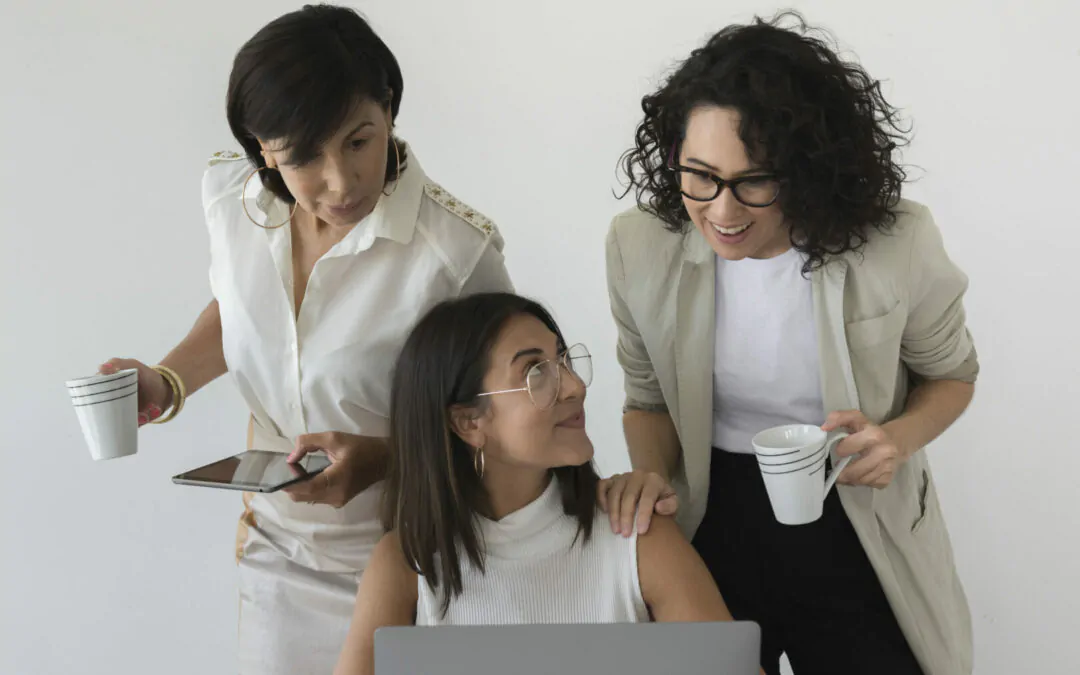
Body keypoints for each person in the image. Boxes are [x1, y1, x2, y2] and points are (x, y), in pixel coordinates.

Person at [96, 5, 513, 673]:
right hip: (279, 555)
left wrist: (380, 458)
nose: (341, 181)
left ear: (390, 112)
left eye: (359, 140)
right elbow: (241, 306)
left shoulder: (456, 252)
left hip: (417, 559)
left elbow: (509, 415)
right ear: (262, 149)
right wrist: (165, 379)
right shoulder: (230, 200)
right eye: (303, 156)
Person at [601, 12, 977, 675]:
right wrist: (655, 473)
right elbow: (648, 397)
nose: (722, 210)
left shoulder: (896, 243)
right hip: (712, 510)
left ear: (810, 168)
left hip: (852, 506)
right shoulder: (639, 245)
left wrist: (898, 438)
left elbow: (951, 374)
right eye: (700, 176)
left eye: (754, 181)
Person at [333, 292, 738, 675]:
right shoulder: (408, 561)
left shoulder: (637, 535)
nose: (576, 387)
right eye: (536, 372)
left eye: (563, 361)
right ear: (468, 422)